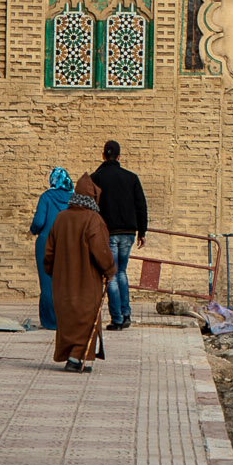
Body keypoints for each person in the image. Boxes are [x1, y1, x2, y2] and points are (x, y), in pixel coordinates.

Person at [42, 172, 113, 371]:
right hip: (86, 281)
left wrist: (53, 272)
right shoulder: (93, 220)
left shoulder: (60, 218)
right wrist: (109, 270)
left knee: (68, 320)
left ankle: (73, 357)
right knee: (85, 318)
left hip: (62, 281)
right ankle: (75, 358)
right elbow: (101, 251)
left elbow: (49, 252)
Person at [91, 140, 147, 333]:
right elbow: (141, 205)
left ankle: (117, 318)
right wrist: (142, 231)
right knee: (122, 272)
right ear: (119, 156)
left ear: (103, 155)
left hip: (108, 232)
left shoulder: (96, 177)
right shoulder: (131, 178)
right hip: (129, 233)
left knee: (111, 275)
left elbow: (90, 207)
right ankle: (126, 313)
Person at [28, 168, 73, 331]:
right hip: (68, 243)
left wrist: (33, 230)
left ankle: (49, 321)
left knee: (47, 282)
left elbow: (39, 221)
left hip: (46, 241)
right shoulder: (74, 199)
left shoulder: (46, 197)